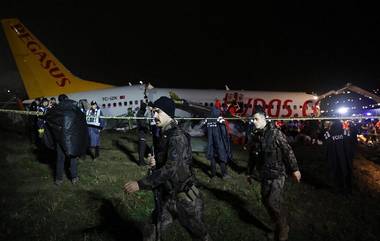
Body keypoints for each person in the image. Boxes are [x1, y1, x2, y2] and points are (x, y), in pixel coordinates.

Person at [124, 96, 211, 241]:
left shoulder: (177, 137)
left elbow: (170, 169)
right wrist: (156, 162)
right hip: (168, 198)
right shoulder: (165, 134)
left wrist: (140, 184)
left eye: (158, 112)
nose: (154, 115)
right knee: (151, 232)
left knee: (201, 236)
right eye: (153, 112)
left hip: (186, 200)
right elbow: (169, 163)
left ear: (168, 113)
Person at [246, 109, 301, 241]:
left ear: (265, 119)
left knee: (273, 201)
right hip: (264, 174)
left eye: (256, 119)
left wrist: (295, 169)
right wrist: (249, 172)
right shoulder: (255, 135)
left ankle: (283, 228)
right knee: (265, 201)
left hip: (277, 174)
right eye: (252, 119)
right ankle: (277, 227)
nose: (253, 121)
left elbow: (288, 151)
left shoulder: (276, 133)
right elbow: (252, 156)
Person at [44, 94, 89, 185]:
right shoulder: (74, 108)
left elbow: (48, 118)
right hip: (72, 139)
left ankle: (58, 179)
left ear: (60, 100)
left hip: (60, 138)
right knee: (73, 157)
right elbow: (82, 119)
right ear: (67, 99)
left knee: (60, 159)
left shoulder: (56, 109)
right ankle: (74, 178)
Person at [324, 120, 353, 195]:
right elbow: (350, 143)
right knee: (345, 171)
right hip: (345, 157)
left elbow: (325, 146)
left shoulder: (328, 134)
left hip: (332, 157)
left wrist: (326, 156)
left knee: (334, 172)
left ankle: (336, 189)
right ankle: (346, 188)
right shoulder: (346, 132)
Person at [205, 105, 232, 179]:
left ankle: (213, 175)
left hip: (211, 142)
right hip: (219, 141)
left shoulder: (208, 119)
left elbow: (205, 130)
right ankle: (224, 174)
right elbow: (223, 131)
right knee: (222, 157)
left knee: (213, 158)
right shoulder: (219, 119)